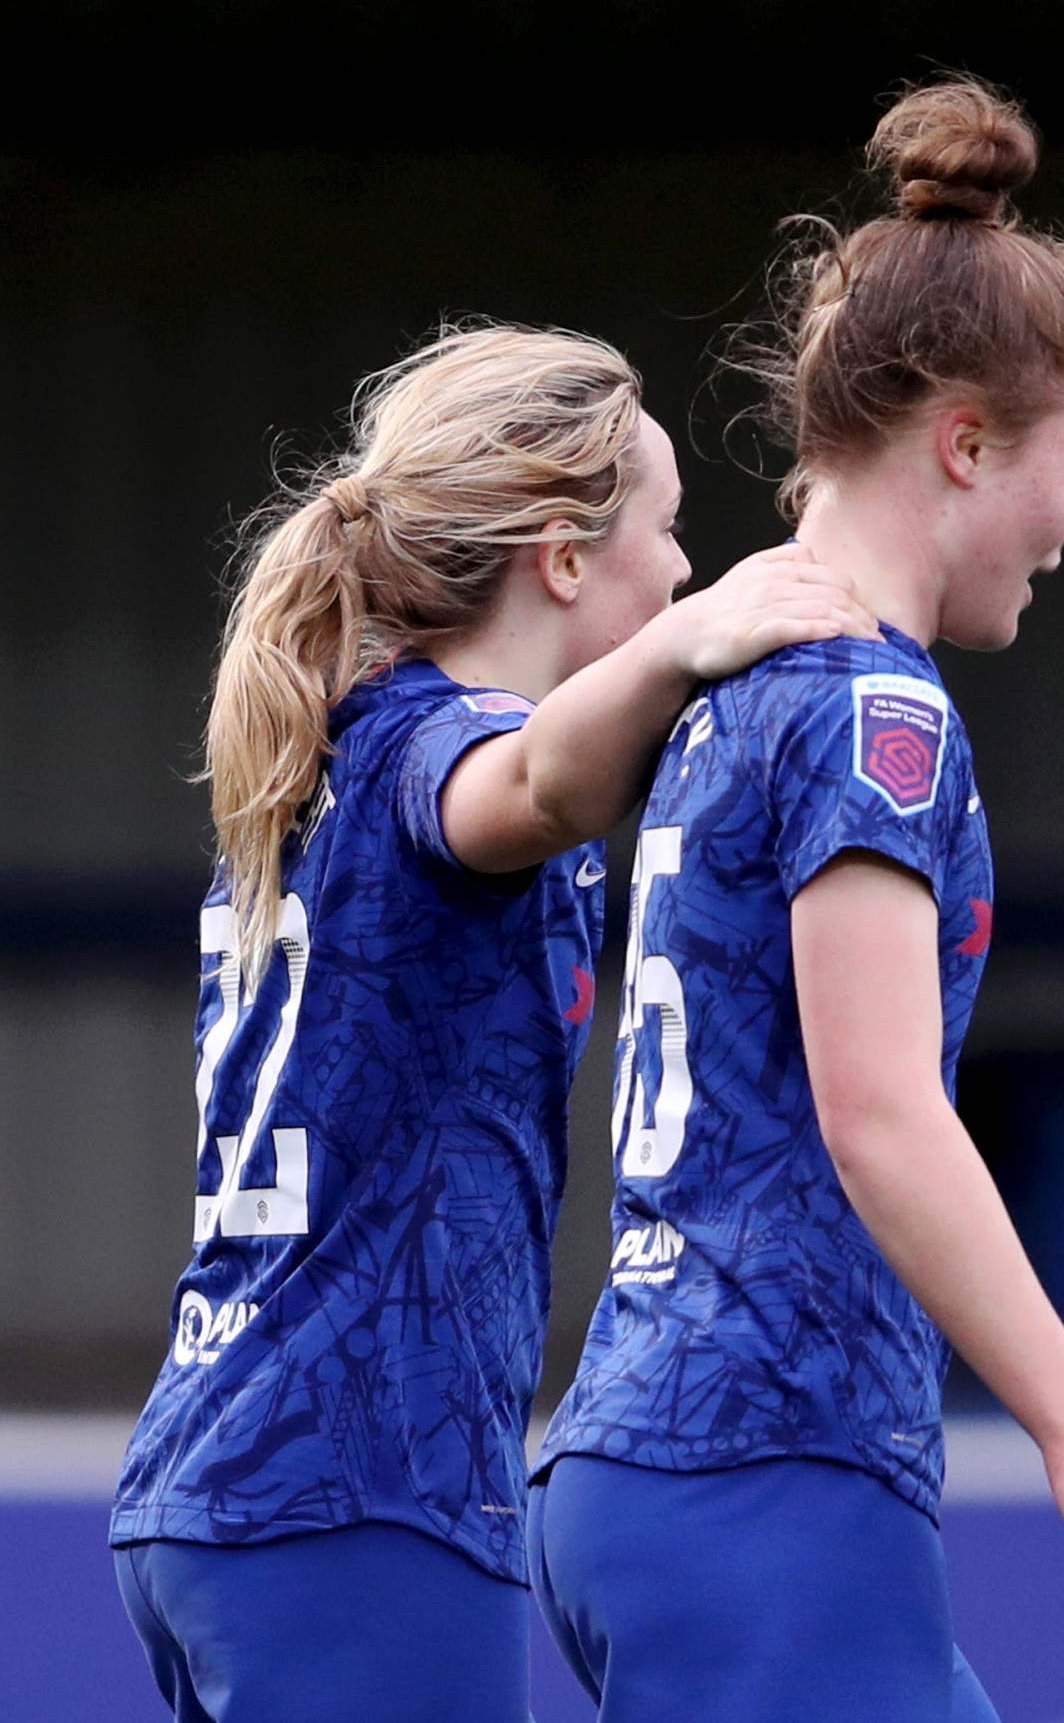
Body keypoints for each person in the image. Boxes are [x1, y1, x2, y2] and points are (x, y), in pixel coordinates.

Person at [529, 78, 1064, 1723]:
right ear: (967, 442)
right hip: (764, 1467)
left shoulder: (725, 680)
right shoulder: (869, 712)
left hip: (669, 1458)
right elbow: (883, 1116)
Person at [110, 321, 874, 1723]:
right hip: (355, 1490)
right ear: (565, 555)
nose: (686, 572)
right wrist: (688, 649)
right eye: (669, 529)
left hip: (227, 1480)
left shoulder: (330, 743)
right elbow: (532, 791)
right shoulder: (428, 745)